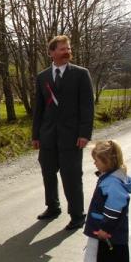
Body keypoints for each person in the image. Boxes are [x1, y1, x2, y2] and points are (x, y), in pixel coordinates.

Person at [32, 35, 94, 230]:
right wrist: (36, 135)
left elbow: (87, 107)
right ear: (51, 53)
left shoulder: (81, 74)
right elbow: (39, 109)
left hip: (72, 137)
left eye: (68, 48)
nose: (67, 51)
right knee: (48, 174)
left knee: (71, 176)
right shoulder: (42, 77)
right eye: (62, 49)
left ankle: (77, 215)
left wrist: (84, 134)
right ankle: (53, 207)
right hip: (48, 136)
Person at [83, 140, 131, 262]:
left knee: (112, 261)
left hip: (110, 234)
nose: (94, 163)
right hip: (104, 232)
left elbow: (114, 209)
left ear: (108, 161)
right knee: (103, 260)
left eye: (97, 160)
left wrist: (106, 228)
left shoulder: (112, 182)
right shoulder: (108, 177)